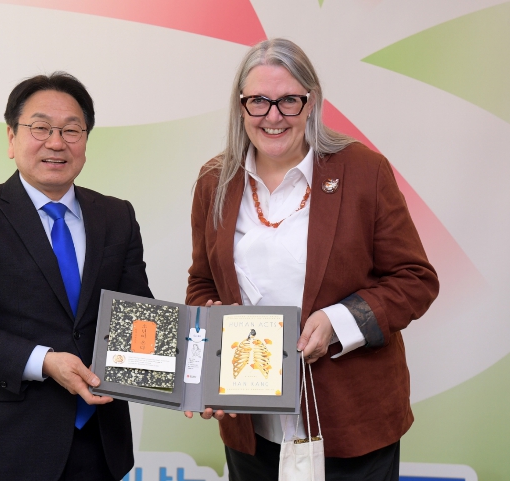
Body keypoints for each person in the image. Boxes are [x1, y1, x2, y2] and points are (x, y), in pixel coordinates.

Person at [186, 39, 439, 481]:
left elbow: (415, 279)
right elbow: (202, 283)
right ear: (241, 107)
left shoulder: (363, 171)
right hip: (252, 426)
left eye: (289, 100)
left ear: (311, 103)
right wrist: (209, 360)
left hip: (353, 423)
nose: (273, 116)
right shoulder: (215, 181)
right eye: (258, 101)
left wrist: (339, 322)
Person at [0, 72, 152, 481]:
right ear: (11, 138)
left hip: (101, 446)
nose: (56, 142)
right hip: (5, 449)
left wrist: (198, 363)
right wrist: (45, 362)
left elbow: (139, 316)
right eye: (40, 128)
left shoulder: (116, 216)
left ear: (85, 140)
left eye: (71, 130)